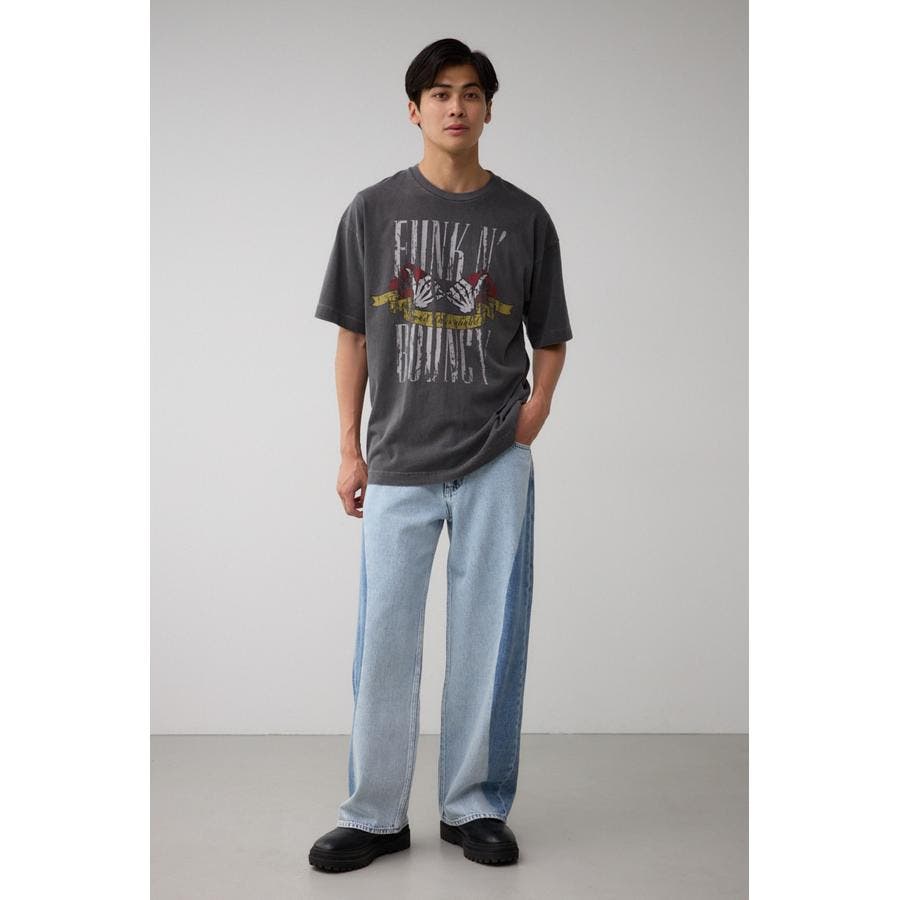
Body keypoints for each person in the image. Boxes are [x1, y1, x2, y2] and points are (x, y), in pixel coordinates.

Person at [308, 37, 572, 873]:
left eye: (470, 93)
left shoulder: (524, 217)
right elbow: (353, 338)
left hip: (495, 456)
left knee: (488, 635)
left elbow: (551, 335)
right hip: (397, 458)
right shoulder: (373, 210)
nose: (455, 106)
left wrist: (534, 411)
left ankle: (474, 806)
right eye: (439, 93)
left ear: (489, 109)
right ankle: (374, 815)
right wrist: (349, 449)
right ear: (414, 109)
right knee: (384, 639)